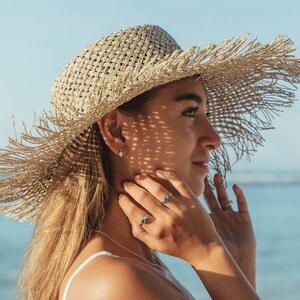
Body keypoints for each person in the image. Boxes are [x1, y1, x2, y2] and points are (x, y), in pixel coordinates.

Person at [0, 24, 299, 299]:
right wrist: (209, 253)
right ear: (116, 130)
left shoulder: (134, 264)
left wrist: (237, 262)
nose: (214, 137)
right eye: (190, 112)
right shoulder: (118, 283)